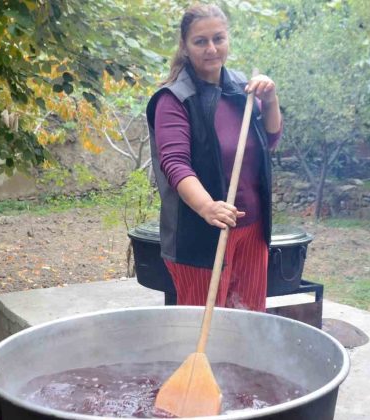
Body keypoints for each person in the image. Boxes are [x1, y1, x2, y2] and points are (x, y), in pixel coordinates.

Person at [145, 3, 282, 312]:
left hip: (251, 229)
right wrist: (207, 207)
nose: (211, 49)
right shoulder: (174, 98)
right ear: (184, 46)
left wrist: (270, 101)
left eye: (218, 39)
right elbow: (175, 164)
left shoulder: (240, 89)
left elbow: (269, 139)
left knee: (247, 321)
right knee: (202, 329)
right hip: (201, 237)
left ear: (228, 40)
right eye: (200, 41)